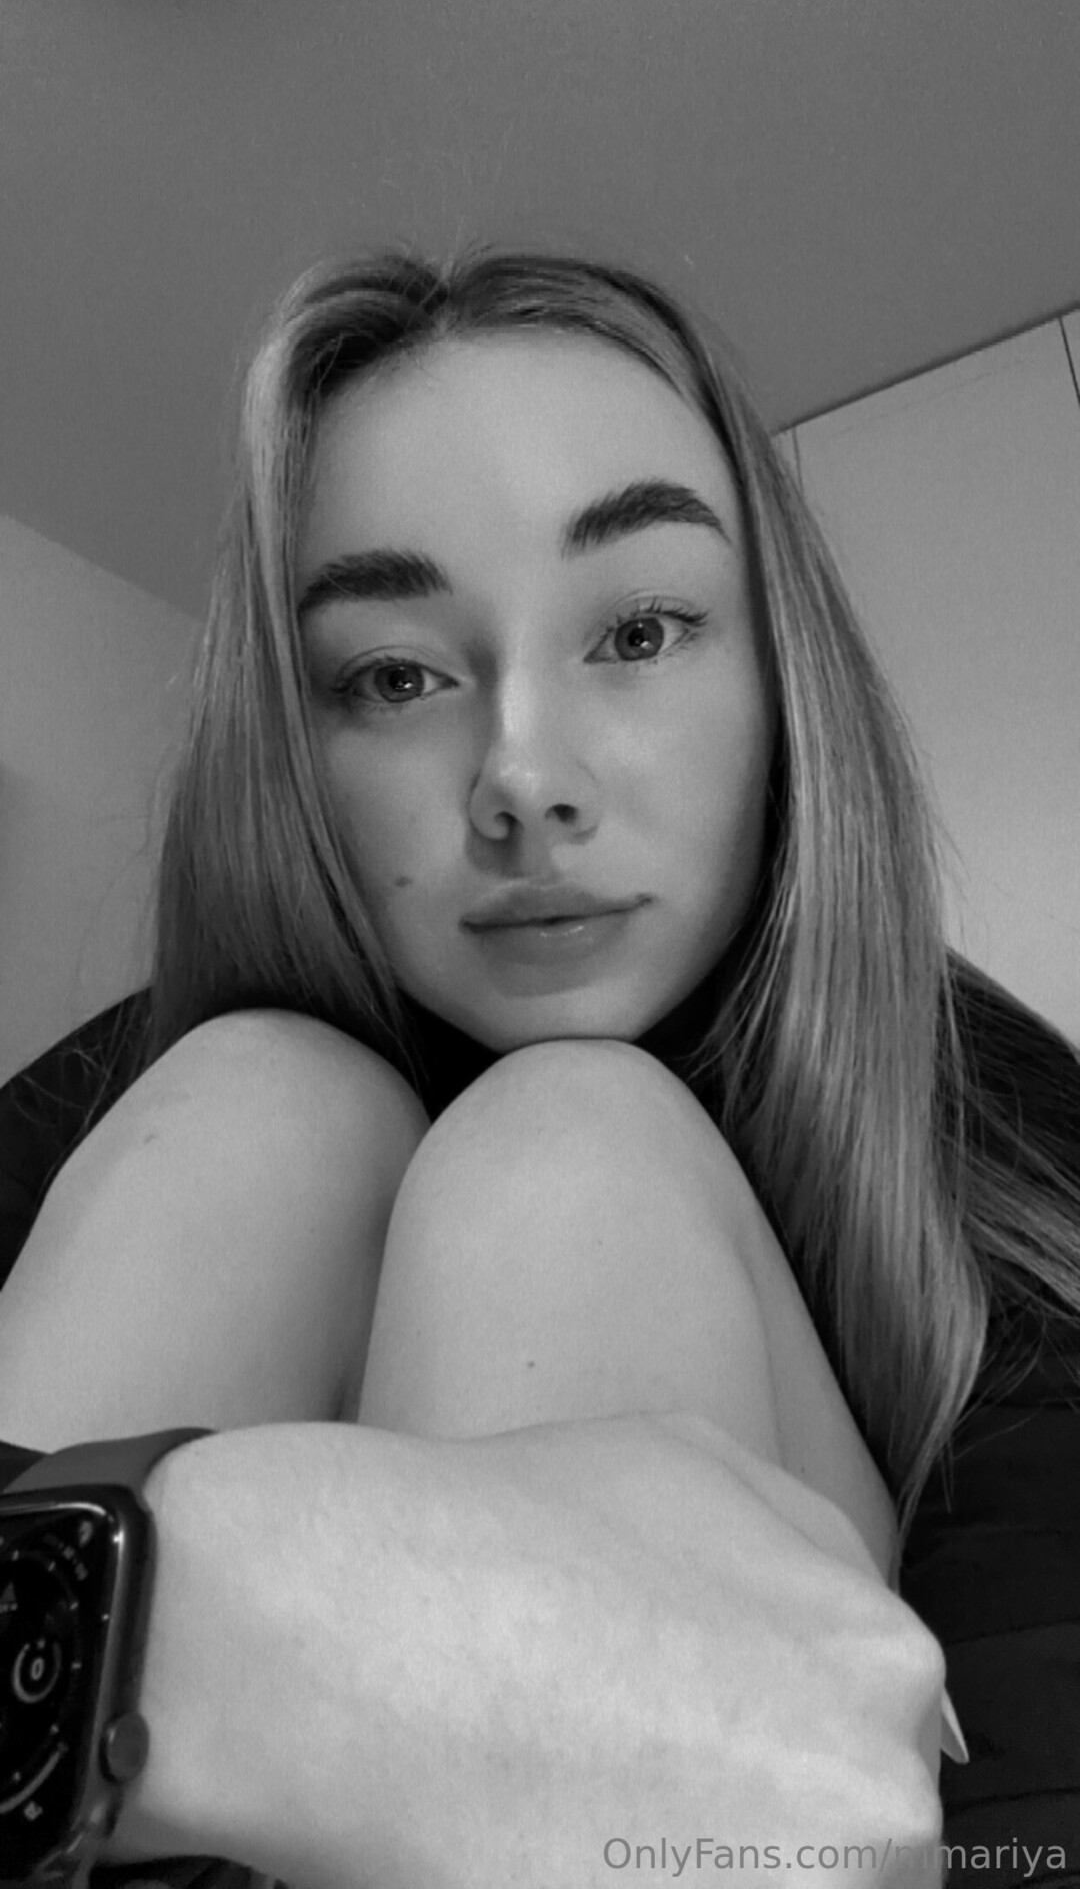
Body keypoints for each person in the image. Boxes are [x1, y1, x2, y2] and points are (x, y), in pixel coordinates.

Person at [0, 242, 1077, 1889]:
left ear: (782, 681)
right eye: (395, 677)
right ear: (297, 747)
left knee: (566, 1150)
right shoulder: (153, 1096)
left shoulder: (976, 1115)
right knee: (265, 1104)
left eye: (639, 629)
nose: (523, 778)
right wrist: (185, 1640)